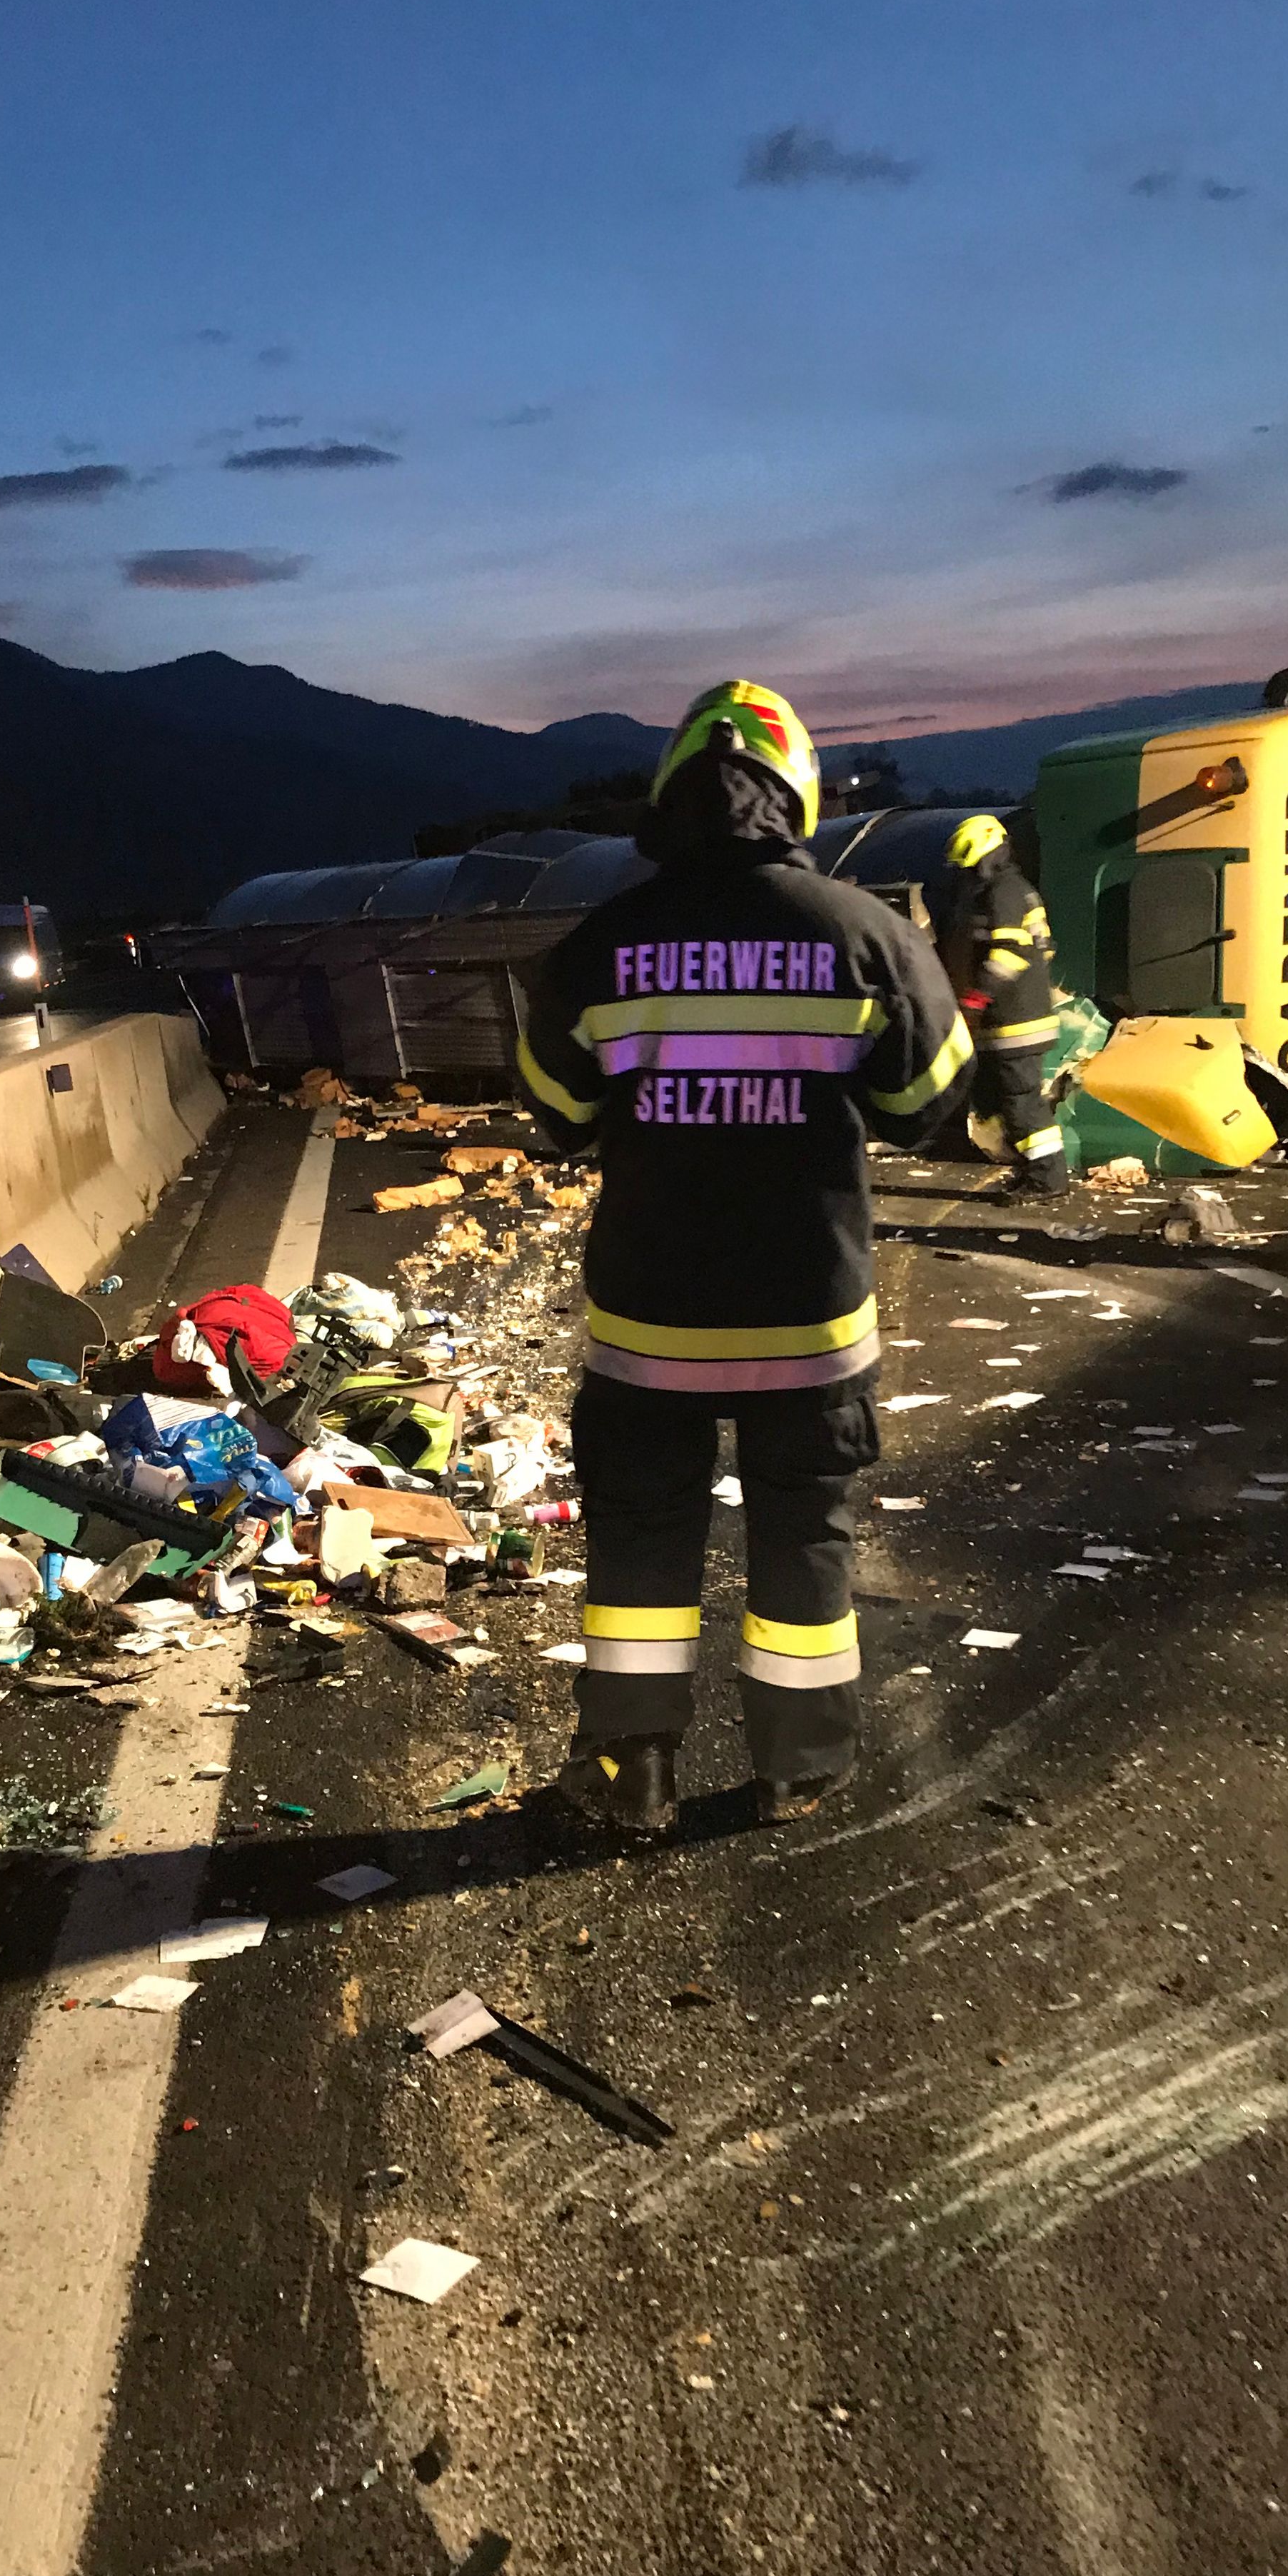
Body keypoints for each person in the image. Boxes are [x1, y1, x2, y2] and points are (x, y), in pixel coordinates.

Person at [516, 679, 974, 1835]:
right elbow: (930, 1101)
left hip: (650, 1322)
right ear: (797, 793)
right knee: (804, 1537)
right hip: (808, 1316)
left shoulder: (602, 944)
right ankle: (798, 1768)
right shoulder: (864, 932)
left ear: (672, 797)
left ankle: (631, 1772)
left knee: (641, 1540)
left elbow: (556, 1113)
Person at [924, 813, 1068, 1194]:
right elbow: (1044, 950)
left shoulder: (1001, 892)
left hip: (1014, 1022)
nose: (964, 877)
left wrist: (976, 998)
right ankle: (1034, 1169)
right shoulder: (1018, 889)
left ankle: (1048, 1179)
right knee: (1005, 1102)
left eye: (967, 868)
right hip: (1017, 1017)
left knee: (1022, 1104)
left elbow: (1009, 954)